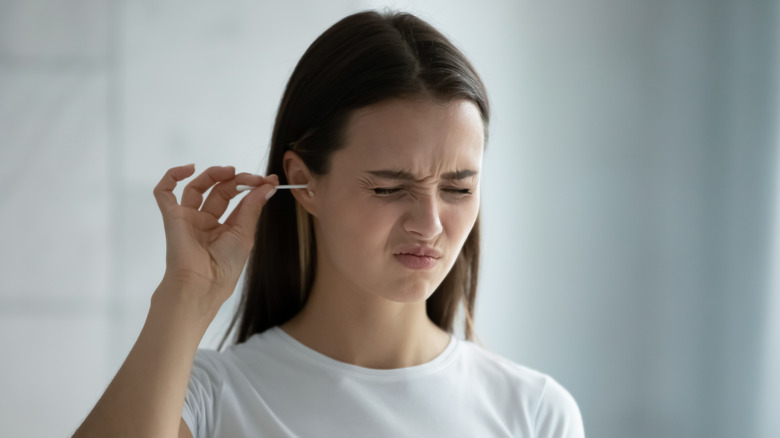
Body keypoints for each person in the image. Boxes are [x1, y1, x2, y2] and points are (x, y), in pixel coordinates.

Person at [74, 9, 584, 438]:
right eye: (388, 188)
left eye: (458, 189)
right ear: (304, 180)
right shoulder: (205, 399)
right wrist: (185, 294)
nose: (429, 224)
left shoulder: (535, 413)